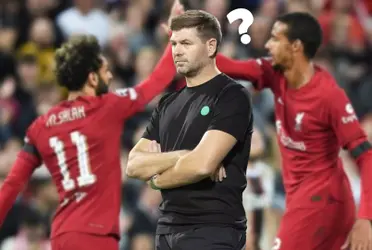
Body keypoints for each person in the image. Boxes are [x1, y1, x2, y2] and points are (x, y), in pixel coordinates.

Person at [0, 0, 183, 248]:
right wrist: (175, 36)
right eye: (104, 69)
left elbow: (12, 184)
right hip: (96, 234)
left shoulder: (41, 126)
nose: (109, 75)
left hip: (62, 234)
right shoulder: (108, 106)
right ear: (91, 76)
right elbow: (157, 81)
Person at [211, 12, 372, 250]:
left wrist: (365, 217)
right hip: (302, 198)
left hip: (323, 201)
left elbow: (366, 156)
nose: (268, 44)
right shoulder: (275, 73)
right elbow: (229, 66)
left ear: (295, 47)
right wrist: (185, 39)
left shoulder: (329, 97)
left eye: (276, 39)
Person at [126, 10, 253, 250]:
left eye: (186, 43)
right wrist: (184, 155)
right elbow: (133, 164)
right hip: (166, 230)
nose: (176, 50)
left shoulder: (231, 95)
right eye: (173, 43)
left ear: (211, 46)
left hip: (213, 229)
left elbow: (202, 165)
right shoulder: (167, 103)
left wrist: (155, 178)